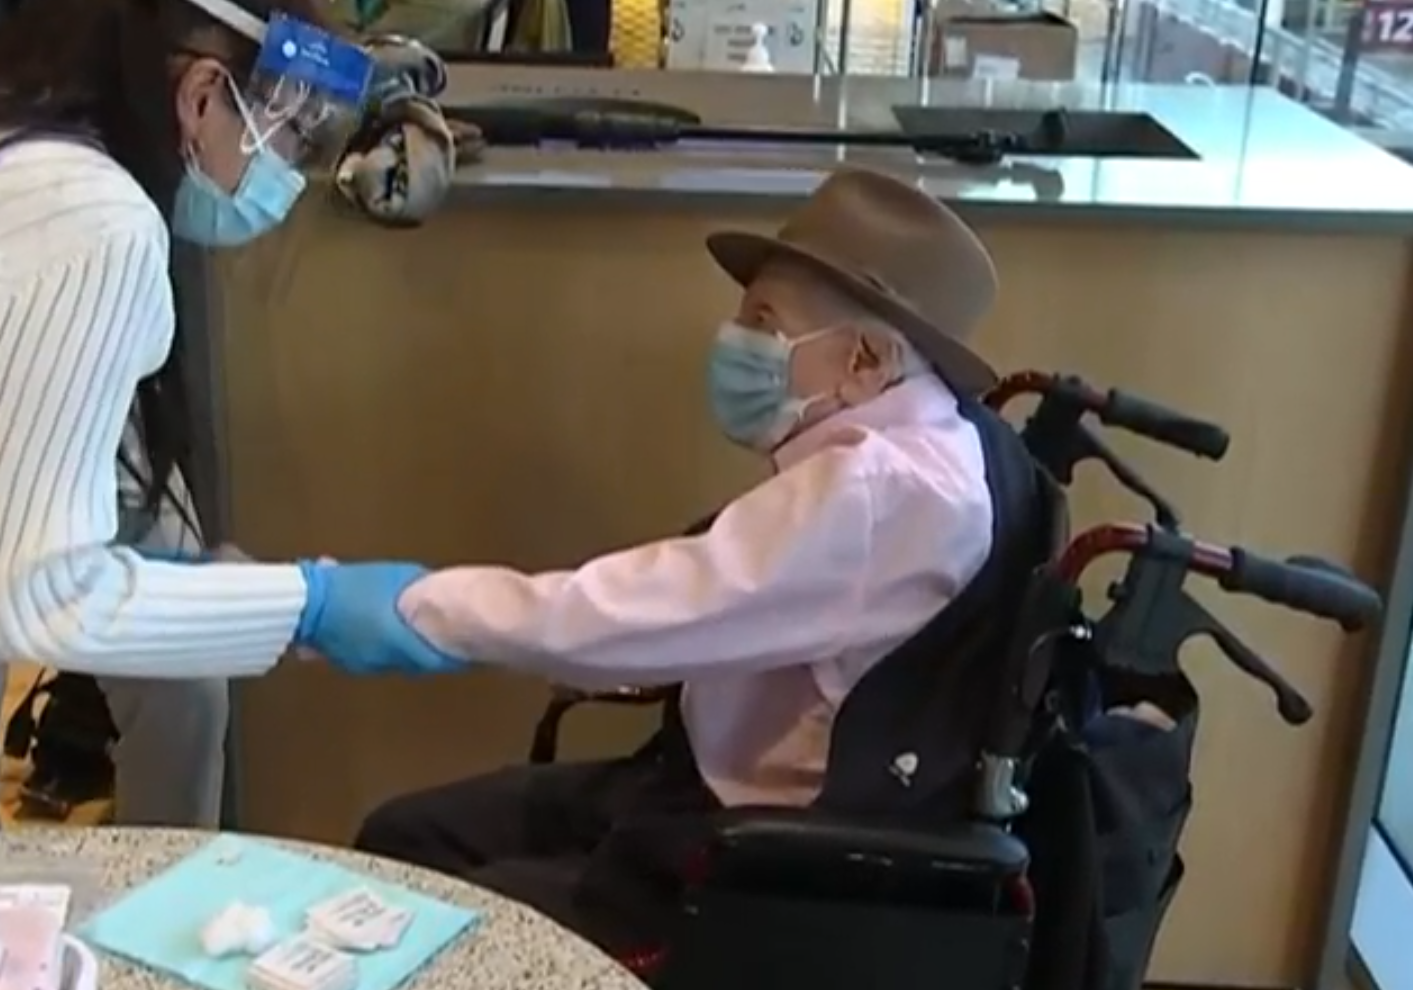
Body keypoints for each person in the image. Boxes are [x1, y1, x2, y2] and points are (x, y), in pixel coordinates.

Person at [353, 167, 1004, 951]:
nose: (735, 342)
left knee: (433, 928)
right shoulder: (942, 444)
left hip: (758, 854)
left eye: (763, 323)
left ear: (865, 360)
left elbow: (636, 614)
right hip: (693, 782)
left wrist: (420, 610)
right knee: (403, 838)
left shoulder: (878, 494)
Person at [0, 0, 458, 828]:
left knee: (184, 686)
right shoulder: (97, 223)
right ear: (204, 96)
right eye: (290, 136)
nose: (287, 171)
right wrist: (309, 602)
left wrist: (191, 584)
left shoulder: (46, 160)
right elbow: (41, 597)